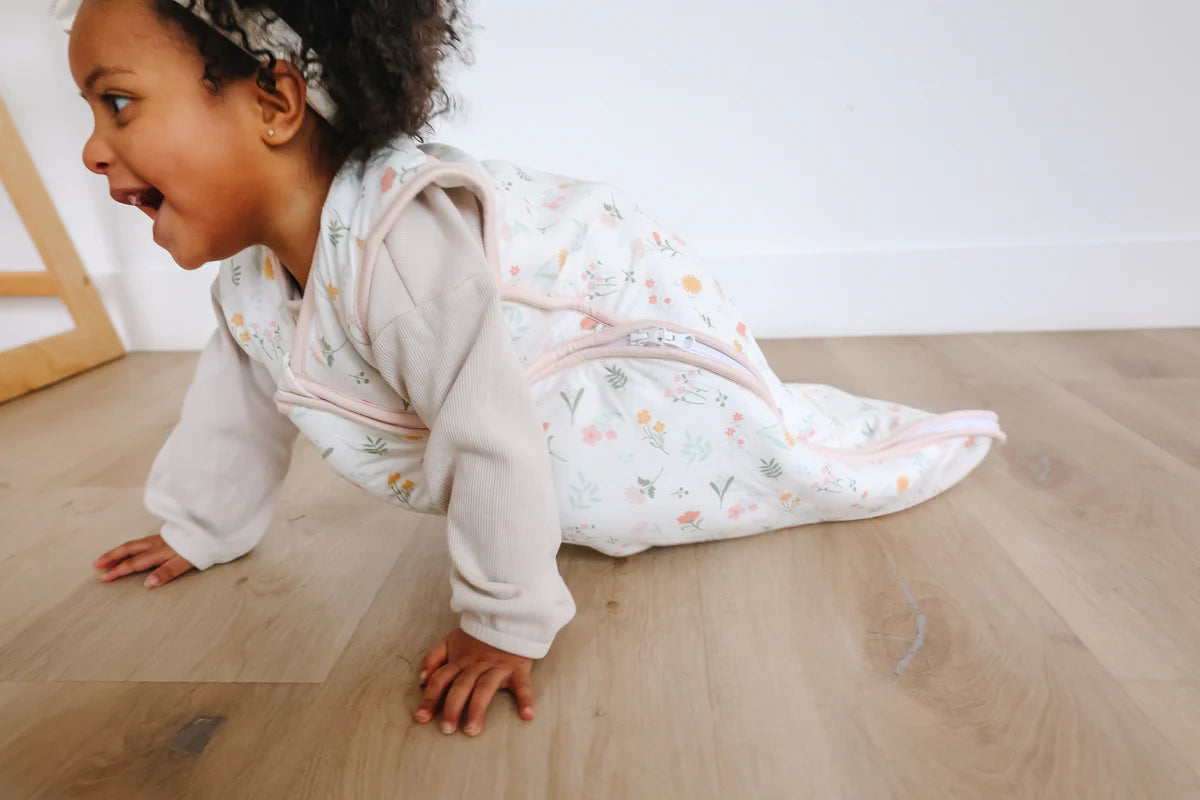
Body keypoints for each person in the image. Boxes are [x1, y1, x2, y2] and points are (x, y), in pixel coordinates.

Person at [57, 0, 1004, 738]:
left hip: (642, 388)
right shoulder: (254, 287)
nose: (95, 149)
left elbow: (488, 428)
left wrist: (502, 617)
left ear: (273, 101)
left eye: (120, 101)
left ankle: (870, 442)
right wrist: (200, 526)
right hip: (531, 402)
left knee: (786, 466)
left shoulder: (400, 241)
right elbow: (241, 404)